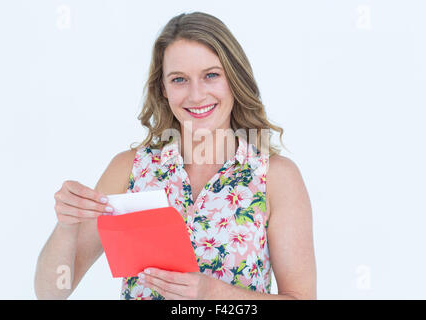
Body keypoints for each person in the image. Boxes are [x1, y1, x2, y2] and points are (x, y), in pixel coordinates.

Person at [34, 11, 316, 300]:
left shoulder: (275, 176)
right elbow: (51, 293)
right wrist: (66, 225)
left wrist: (213, 293)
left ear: (234, 78)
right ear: (164, 89)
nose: (196, 95)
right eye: (179, 79)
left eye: (211, 75)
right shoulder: (129, 169)